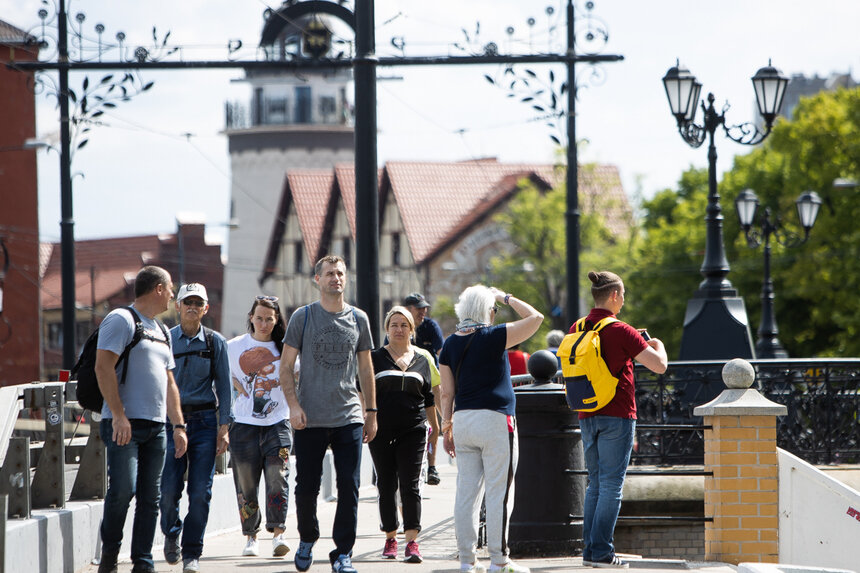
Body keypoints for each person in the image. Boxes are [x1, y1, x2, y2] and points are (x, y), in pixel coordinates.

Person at [280, 255, 377, 573]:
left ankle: (343, 553)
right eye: (329, 273)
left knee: (349, 485)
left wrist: (371, 411)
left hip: (348, 414)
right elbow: (285, 367)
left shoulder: (359, 318)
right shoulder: (303, 317)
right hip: (309, 417)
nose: (336, 278)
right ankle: (307, 538)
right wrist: (294, 406)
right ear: (317, 279)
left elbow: (366, 367)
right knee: (307, 486)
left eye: (340, 273)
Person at [439, 285, 543, 573]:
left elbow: (447, 393)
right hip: (496, 420)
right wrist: (506, 297)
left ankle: (466, 561)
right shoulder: (494, 336)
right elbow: (536, 318)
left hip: (463, 421)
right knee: (499, 492)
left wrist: (447, 427)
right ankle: (499, 560)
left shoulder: (449, 344)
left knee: (466, 492)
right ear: (487, 310)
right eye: (493, 310)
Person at [95, 266, 187, 573]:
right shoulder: (121, 320)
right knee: (123, 489)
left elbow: (170, 382)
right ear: (158, 288)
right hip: (124, 425)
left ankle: (143, 562)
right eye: (171, 287)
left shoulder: (162, 331)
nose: (173, 294)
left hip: (157, 428)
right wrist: (119, 416)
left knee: (151, 497)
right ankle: (109, 557)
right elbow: (103, 368)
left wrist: (179, 425)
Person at [575, 271, 667, 569]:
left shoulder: (576, 327)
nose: (624, 300)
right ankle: (601, 553)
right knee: (612, 485)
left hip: (587, 413)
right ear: (613, 295)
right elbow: (660, 367)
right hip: (617, 415)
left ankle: (590, 551)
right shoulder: (621, 329)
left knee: (595, 484)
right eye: (623, 294)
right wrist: (656, 344)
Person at [160, 283, 232, 573]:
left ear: (206, 308)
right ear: (177, 306)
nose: (192, 307)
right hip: (169, 422)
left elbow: (226, 388)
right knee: (167, 490)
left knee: (201, 492)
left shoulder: (216, 343)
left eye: (197, 302)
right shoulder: (165, 340)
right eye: (186, 302)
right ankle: (171, 531)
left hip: (204, 423)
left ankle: (192, 552)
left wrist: (224, 427)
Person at [369, 306, 438, 564]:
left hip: (414, 429)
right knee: (386, 484)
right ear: (387, 329)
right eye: (394, 325)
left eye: (404, 325)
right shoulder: (375, 357)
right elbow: (363, 390)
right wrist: (367, 418)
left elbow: (429, 396)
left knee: (410, 485)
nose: (399, 330)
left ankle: (412, 542)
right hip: (381, 429)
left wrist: (437, 428)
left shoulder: (421, 358)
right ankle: (390, 537)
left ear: (412, 329)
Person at [227, 295, 292, 559]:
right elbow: (222, 376)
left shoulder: (286, 348)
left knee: (279, 478)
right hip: (243, 426)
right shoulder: (233, 347)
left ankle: (278, 534)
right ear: (251, 318)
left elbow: (298, 376)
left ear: (276, 321)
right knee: (246, 483)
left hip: (279, 424)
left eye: (269, 319)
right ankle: (250, 536)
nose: (264, 323)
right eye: (259, 318)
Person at [402, 292, 444, 485]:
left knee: (435, 426)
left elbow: (441, 354)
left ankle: (432, 467)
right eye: (419, 308)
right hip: (406, 383)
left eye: (424, 307)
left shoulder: (430, 326)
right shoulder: (399, 327)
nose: (423, 311)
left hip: (430, 380)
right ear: (408, 309)